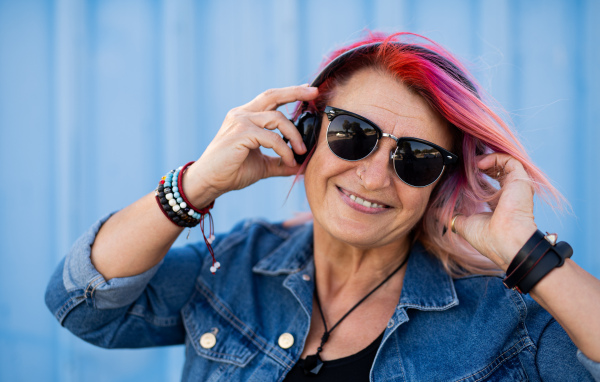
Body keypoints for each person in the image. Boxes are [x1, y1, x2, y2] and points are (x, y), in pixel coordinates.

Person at [45, 32, 600, 381]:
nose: (374, 175)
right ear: (307, 132)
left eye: (416, 159)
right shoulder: (238, 266)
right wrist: (194, 186)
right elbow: (82, 307)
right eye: (354, 134)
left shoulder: (502, 319)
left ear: (441, 180)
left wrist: (524, 252)